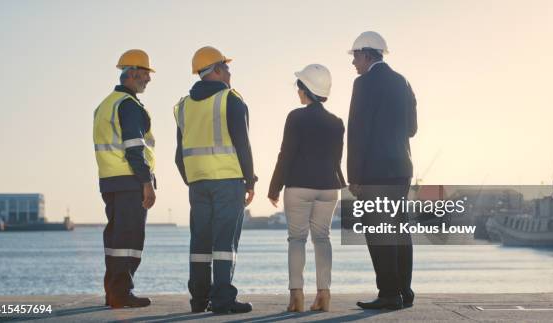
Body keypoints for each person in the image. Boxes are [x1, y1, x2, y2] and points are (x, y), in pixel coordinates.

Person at [174, 46, 256, 314]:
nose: (230, 72)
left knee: (199, 244)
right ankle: (223, 300)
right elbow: (243, 145)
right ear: (217, 70)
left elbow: (179, 155)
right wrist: (250, 180)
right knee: (224, 244)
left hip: (197, 184)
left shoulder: (183, 106)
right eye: (227, 67)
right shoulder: (230, 99)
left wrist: (193, 179)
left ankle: (199, 300)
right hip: (227, 182)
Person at [346, 31, 418, 310]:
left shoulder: (363, 84)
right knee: (400, 229)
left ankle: (389, 293)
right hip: (401, 168)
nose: (353, 63)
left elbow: (357, 131)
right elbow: (412, 129)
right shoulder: (403, 82)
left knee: (378, 232)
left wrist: (354, 177)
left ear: (366, 54)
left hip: (374, 172)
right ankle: (404, 291)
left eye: (354, 56)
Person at [268, 64, 346, 312]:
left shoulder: (295, 117)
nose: (297, 91)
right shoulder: (337, 122)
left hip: (299, 187)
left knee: (297, 240)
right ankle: (324, 295)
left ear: (306, 89)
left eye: (299, 86)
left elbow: (286, 155)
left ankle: (296, 297)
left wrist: (274, 188)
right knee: (322, 239)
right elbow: (337, 160)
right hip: (328, 188)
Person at [92, 49, 156, 308]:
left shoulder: (105, 104)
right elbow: (134, 149)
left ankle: (113, 292)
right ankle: (122, 293)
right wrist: (147, 183)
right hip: (130, 180)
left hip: (109, 180)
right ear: (131, 73)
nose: (148, 80)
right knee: (129, 239)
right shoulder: (129, 106)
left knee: (115, 238)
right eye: (144, 74)